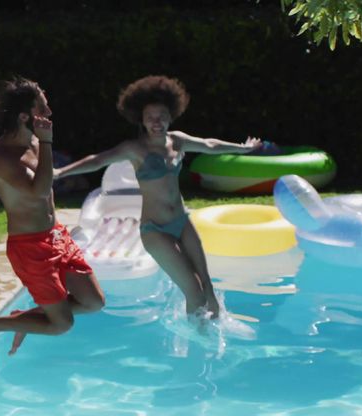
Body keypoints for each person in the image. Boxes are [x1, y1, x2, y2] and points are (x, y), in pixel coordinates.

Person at [51, 75, 262, 318]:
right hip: (155, 230)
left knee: (208, 287)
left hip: (182, 221)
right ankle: (199, 337)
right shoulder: (135, 149)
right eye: (150, 117)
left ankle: (213, 329)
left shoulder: (178, 141)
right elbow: (97, 160)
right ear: (141, 120)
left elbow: (209, 145)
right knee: (194, 292)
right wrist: (61, 172)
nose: (156, 121)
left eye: (161, 115)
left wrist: (242, 148)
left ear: (171, 116)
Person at [0, 78, 107, 363]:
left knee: (94, 302)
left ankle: (24, 319)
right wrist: (46, 141)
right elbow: (39, 190)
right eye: (42, 108)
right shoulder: (3, 153)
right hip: (30, 248)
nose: (49, 112)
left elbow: (27, 174)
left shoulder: (30, 140)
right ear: (24, 116)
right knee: (62, 324)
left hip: (56, 235)